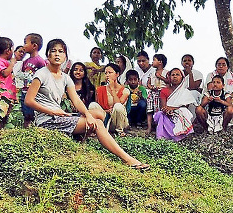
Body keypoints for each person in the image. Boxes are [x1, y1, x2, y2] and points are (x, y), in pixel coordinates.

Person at [24, 38, 149, 170]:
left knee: (97, 114)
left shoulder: (65, 77)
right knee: (98, 123)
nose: (57, 54)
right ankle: (127, 159)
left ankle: (79, 138)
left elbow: (76, 101)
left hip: (59, 117)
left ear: (65, 56)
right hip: (47, 119)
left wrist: (88, 115)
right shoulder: (42, 73)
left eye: (60, 51)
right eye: (53, 51)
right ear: (47, 55)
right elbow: (29, 100)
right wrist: (53, 112)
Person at [156, 67, 196, 141]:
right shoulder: (164, 91)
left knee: (184, 111)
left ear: (182, 77)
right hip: (167, 113)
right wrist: (168, 110)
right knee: (160, 114)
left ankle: (178, 136)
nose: (175, 76)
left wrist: (172, 108)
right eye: (173, 75)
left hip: (179, 113)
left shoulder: (185, 92)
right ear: (169, 77)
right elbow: (163, 107)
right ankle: (163, 136)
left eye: (177, 75)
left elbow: (184, 107)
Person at [91, 63, 130, 136]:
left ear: (117, 74)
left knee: (118, 106)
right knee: (93, 105)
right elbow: (98, 107)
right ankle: (95, 128)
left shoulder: (125, 90)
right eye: (106, 73)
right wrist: (107, 111)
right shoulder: (100, 89)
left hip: (118, 120)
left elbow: (119, 105)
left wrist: (112, 88)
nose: (107, 75)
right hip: (105, 118)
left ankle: (120, 131)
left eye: (110, 72)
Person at [18, 33, 46, 128]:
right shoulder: (25, 62)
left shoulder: (40, 61)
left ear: (34, 46)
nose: (24, 45)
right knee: (26, 115)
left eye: (26, 43)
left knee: (35, 115)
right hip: (25, 91)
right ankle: (26, 132)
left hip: (34, 93)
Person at [0, 36, 18, 129]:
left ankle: (1, 132)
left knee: (5, 116)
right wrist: (12, 64)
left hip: (9, 94)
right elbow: (5, 73)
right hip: (2, 94)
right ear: (7, 51)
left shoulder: (5, 62)